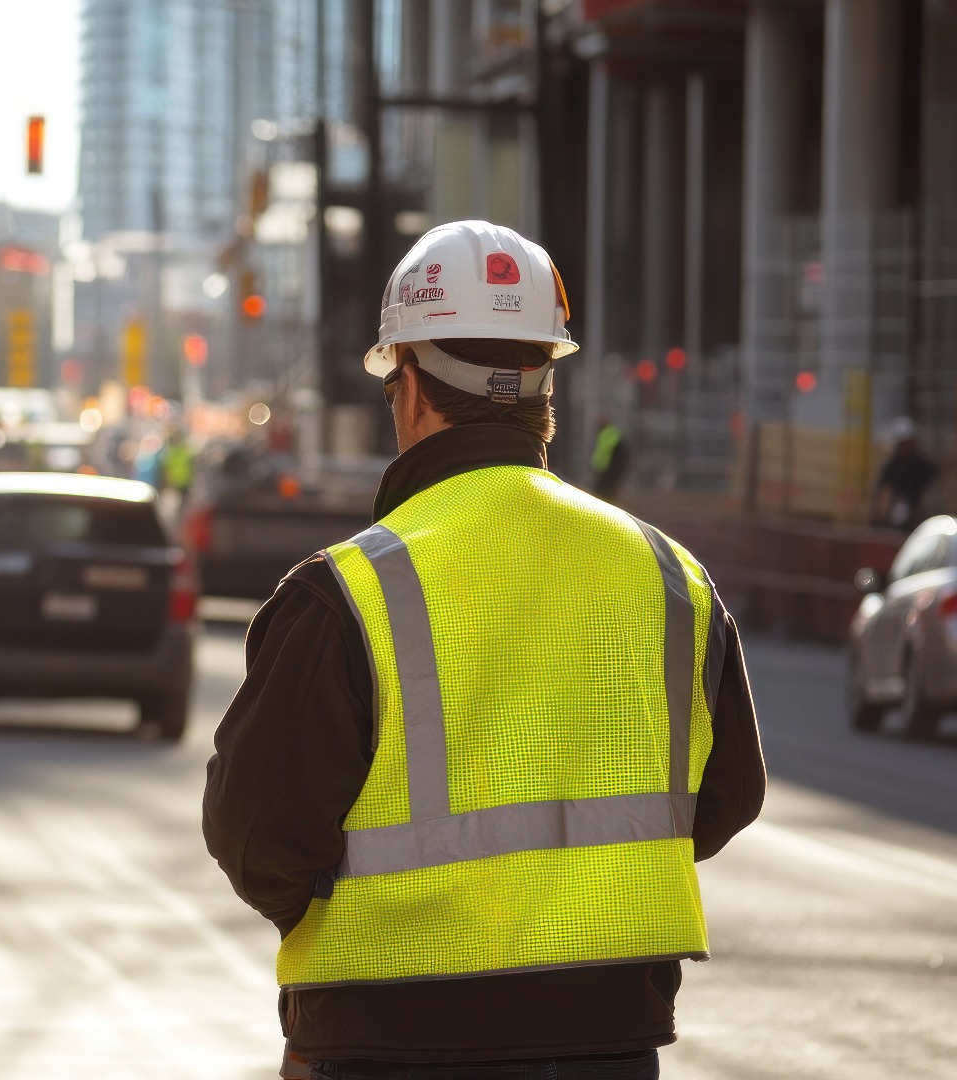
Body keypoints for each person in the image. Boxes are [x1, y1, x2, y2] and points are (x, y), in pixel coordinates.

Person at [203, 220, 765, 1080]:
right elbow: (726, 798)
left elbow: (258, 840)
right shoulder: (669, 577)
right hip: (609, 1042)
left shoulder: (347, 592)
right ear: (546, 384)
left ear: (415, 384)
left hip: (389, 1044)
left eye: (393, 382)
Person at [875, 417, 937, 530]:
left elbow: (933, 486)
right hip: (897, 507)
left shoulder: (922, 464)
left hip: (917, 508)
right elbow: (883, 487)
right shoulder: (894, 464)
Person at [590, 413, 629, 502]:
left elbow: (602, 453)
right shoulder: (614, 433)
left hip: (607, 470)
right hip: (612, 470)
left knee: (602, 495)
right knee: (609, 495)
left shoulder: (605, 435)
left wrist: (596, 466)